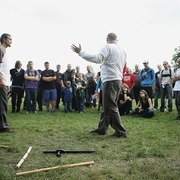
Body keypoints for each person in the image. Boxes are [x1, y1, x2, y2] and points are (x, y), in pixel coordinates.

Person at [71, 32, 127, 138]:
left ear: (107, 39)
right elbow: (123, 67)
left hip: (110, 80)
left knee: (110, 106)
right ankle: (102, 128)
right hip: (117, 80)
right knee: (107, 106)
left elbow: (97, 59)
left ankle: (120, 131)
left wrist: (81, 52)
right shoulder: (122, 51)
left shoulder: (108, 47)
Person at [0, 33, 12, 133]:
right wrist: (1, 80)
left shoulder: (5, 51)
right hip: (1, 82)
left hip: (5, 82)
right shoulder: (0, 49)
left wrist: (8, 83)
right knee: (2, 105)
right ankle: (3, 126)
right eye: (10, 39)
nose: (11, 41)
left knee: (4, 104)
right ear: (4, 39)